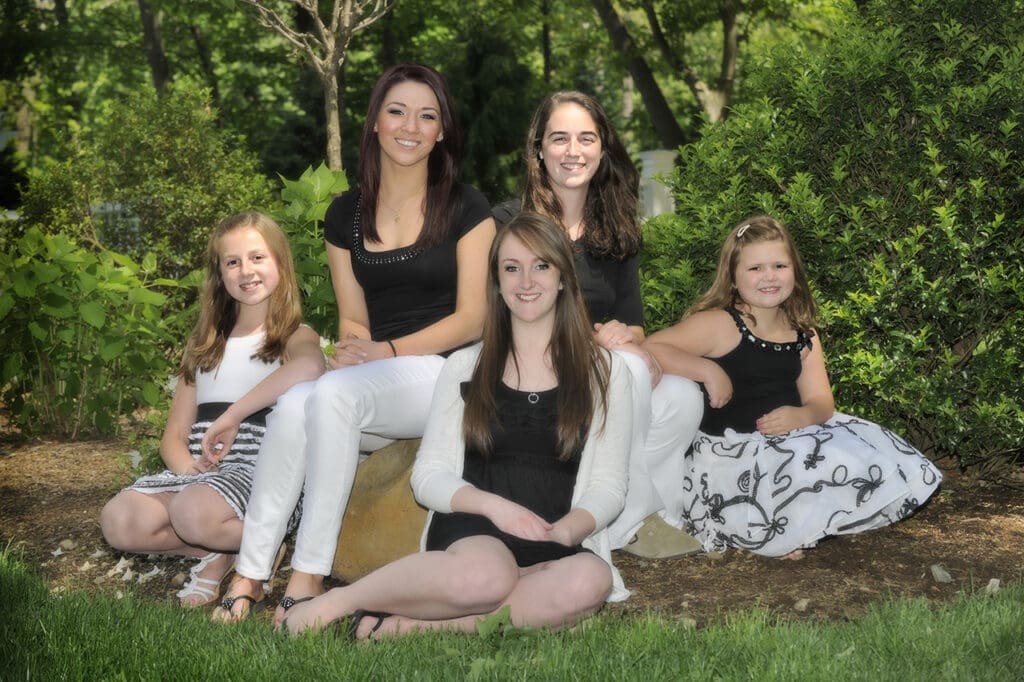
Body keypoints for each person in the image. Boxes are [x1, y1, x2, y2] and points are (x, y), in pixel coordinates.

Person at [213, 63, 495, 622]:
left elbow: (474, 319)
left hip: (448, 372)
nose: (410, 126)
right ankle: (250, 572)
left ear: (442, 131)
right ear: (374, 124)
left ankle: (310, 575)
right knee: (295, 402)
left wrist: (384, 354)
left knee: (333, 395)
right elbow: (355, 319)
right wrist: (353, 350)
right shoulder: (345, 213)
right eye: (397, 111)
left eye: (427, 114)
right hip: (375, 377)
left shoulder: (467, 206)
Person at [281, 211, 633, 637]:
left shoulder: (606, 372)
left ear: (562, 278)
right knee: (487, 578)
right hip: (476, 531)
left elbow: (609, 486)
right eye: (511, 268)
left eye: (542, 266)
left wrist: (569, 529)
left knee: (589, 581)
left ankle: (409, 628)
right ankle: (337, 602)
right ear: (497, 283)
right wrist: (495, 509)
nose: (526, 281)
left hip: (556, 533)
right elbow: (428, 477)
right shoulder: (466, 367)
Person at [644, 215, 943, 558]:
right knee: (793, 466)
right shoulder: (719, 324)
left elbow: (821, 403)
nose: (769, 276)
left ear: (794, 272)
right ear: (733, 277)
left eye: (779, 265)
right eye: (755, 268)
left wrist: (802, 416)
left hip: (787, 441)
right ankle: (775, 530)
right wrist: (707, 370)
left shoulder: (804, 334)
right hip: (730, 456)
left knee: (838, 454)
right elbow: (652, 347)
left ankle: (797, 524)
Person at [494, 91, 703, 559]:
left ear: (602, 149)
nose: (574, 151)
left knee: (683, 397)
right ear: (538, 149)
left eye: (586, 138)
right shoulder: (509, 222)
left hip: (604, 362)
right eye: (560, 138)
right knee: (625, 370)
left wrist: (624, 337)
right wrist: (598, 341)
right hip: (532, 365)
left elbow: (635, 325)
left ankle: (646, 519)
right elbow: (510, 311)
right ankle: (620, 518)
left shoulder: (617, 226)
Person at [100, 212, 325, 606]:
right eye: (232, 262)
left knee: (193, 513)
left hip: (261, 472)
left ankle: (242, 547)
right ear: (219, 274)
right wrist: (187, 467)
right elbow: (174, 435)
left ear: (280, 264)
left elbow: (310, 366)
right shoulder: (205, 346)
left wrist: (233, 414)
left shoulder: (294, 336)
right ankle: (218, 550)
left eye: (258, 258)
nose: (245, 271)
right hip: (206, 474)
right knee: (120, 521)